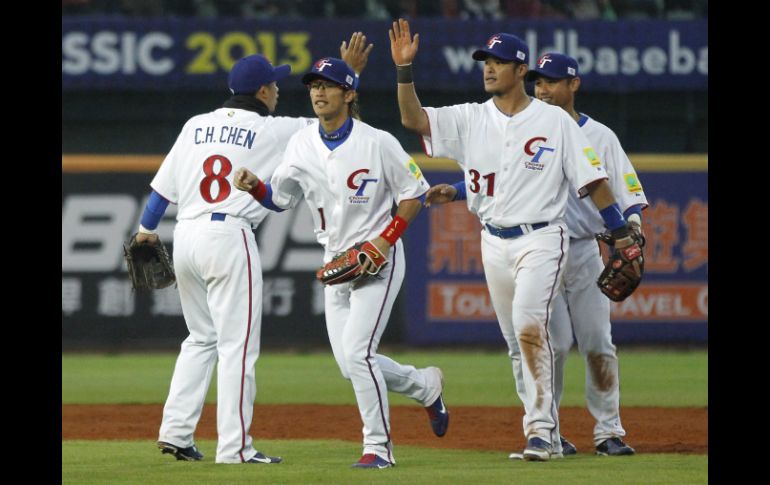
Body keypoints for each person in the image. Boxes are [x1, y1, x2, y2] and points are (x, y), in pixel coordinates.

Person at [389, 19, 643, 461]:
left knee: (532, 326)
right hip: (494, 241)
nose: (489, 68)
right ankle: (549, 430)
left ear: (519, 70)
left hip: (545, 238)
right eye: (486, 61)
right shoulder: (470, 117)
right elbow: (413, 119)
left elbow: (596, 182)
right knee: (519, 341)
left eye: (499, 62)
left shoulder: (555, 122)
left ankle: (542, 432)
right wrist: (403, 71)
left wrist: (621, 234)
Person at [136, 34, 372, 464]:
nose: (280, 90)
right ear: (263, 91)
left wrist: (145, 232)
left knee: (200, 338)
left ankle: (175, 431)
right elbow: (332, 120)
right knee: (238, 346)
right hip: (228, 235)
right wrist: (349, 74)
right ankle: (236, 448)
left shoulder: (194, 125)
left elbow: (159, 194)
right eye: (276, 85)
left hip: (185, 234)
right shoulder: (275, 128)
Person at [232, 56, 449, 469]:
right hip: (336, 263)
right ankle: (425, 386)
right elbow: (280, 199)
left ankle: (379, 449)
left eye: (328, 85)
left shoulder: (377, 141)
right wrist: (255, 187)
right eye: (314, 84)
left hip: (378, 260)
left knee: (360, 354)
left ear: (349, 94)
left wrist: (385, 242)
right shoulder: (300, 143)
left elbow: (414, 194)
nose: (318, 91)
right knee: (351, 365)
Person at [526, 52, 647, 456]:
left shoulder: (601, 136)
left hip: (582, 250)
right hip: (539, 252)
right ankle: (549, 432)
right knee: (555, 344)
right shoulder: (524, 130)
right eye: (538, 82)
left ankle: (608, 431)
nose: (542, 90)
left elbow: (628, 197)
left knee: (598, 342)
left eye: (552, 82)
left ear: (573, 85)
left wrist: (632, 235)